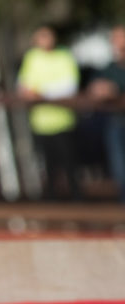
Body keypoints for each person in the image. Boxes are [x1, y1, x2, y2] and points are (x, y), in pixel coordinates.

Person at [17, 24, 81, 200]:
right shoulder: (32, 58)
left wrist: (41, 92)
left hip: (63, 121)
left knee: (70, 167)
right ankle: (52, 204)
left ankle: (78, 204)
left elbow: (69, 87)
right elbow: (25, 86)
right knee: (48, 168)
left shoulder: (64, 56)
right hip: (40, 122)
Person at [88, 24, 125, 201]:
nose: (116, 43)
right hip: (117, 124)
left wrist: (117, 90)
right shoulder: (109, 68)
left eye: (119, 38)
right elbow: (95, 86)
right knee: (120, 172)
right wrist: (100, 89)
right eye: (114, 39)